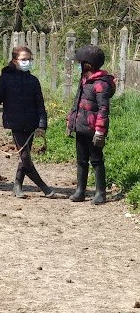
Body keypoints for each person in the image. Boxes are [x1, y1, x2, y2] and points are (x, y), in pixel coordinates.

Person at [0, 46, 62, 199]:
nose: (27, 62)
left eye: (29, 59)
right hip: (15, 123)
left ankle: (17, 186)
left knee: (24, 157)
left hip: (31, 123)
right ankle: (45, 188)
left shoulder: (34, 81)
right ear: (15, 61)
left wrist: (42, 125)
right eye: (23, 59)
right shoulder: (5, 79)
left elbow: (40, 105)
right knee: (26, 157)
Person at [66, 44, 116, 205]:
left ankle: (100, 193)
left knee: (96, 160)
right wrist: (71, 121)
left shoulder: (101, 84)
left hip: (94, 130)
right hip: (81, 127)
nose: (79, 65)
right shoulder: (84, 80)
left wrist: (100, 131)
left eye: (80, 63)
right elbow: (77, 102)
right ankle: (80, 191)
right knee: (81, 160)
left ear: (87, 64)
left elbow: (103, 110)